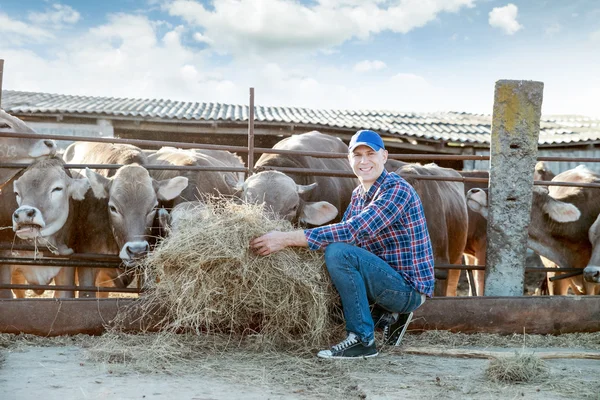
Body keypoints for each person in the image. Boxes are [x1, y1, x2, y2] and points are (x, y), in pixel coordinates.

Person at [250, 129, 434, 359]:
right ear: (349, 160)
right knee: (326, 284)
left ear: (384, 157)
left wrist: (285, 238)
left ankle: (362, 340)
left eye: (371, 154)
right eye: (357, 155)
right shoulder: (358, 194)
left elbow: (352, 230)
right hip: (381, 279)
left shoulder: (397, 190)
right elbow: (345, 235)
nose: (364, 161)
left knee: (339, 253)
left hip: (406, 288)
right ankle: (387, 316)